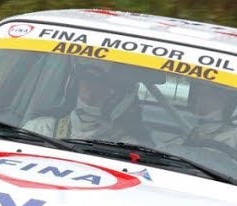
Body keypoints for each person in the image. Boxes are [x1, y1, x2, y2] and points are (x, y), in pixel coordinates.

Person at [23, 58, 153, 145]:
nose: (90, 92)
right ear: (73, 87)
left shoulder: (128, 147)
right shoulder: (40, 129)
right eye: (86, 81)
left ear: (121, 97)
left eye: (103, 85)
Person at [180, 81, 237, 182]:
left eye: (211, 96)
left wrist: (225, 166)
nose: (200, 101)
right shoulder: (195, 132)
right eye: (198, 94)